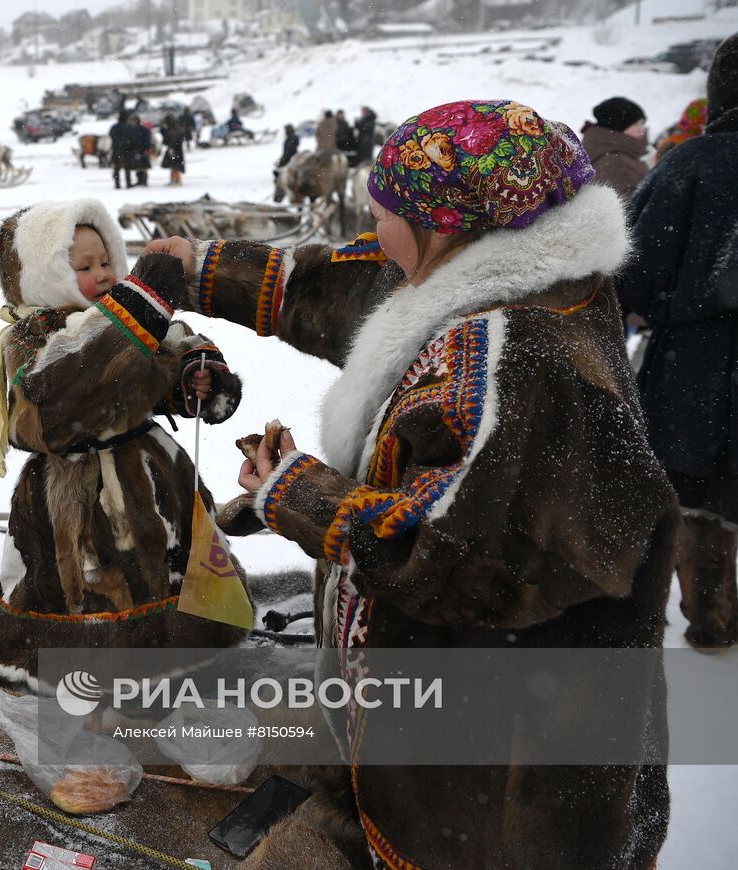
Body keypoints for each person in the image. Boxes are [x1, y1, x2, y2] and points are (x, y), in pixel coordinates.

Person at [146, 99, 674, 868]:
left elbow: (461, 558)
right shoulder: (494, 272)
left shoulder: (528, 369)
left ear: (452, 225)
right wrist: (195, 269)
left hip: (501, 776)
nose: (376, 227)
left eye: (389, 210)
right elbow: (341, 288)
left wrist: (296, 493)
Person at [0, 200, 247, 683]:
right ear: (42, 276)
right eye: (84, 267)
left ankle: (181, 655)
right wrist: (139, 309)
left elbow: (174, 346)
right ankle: (90, 675)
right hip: (74, 497)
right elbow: (62, 396)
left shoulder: (128, 317)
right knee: (87, 589)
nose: (105, 274)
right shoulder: (31, 338)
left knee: (173, 569)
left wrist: (196, 379)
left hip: (154, 478)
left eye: (107, 260)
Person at [618, 34, 738, 647]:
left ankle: (712, 621)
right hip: (697, 360)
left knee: (696, 503)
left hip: (694, 368)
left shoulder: (689, 164)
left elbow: (634, 271)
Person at [581, 96, 649, 198]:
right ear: (618, 127)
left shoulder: (614, 150)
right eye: (636, 124)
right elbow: (633, 210)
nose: (642, 129)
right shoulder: (617, 164)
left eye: (643, 123)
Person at [159, 113, 186, 186]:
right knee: (173, 164)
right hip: (174, 149)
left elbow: (173, 138)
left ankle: (177, 180)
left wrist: (171, 147)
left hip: (174, 149)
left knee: (175, 165)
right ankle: (173, 179)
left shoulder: (175, 128)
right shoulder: (175, 127)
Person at [108, 110, 133, 189]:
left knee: (116, 168)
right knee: (127, 168)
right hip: (127, 150)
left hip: (116, 149)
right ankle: (128, 183)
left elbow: (111, 136)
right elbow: (133, 138)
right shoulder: (129, 127)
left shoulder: (114, 127)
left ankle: (117, 184)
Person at [128, 114, 152, 187]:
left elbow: (146, 140)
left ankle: (143, 180)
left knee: (141, 166)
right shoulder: (142, 130)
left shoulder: (135, 130)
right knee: (141, 166)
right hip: (140, 149)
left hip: (140, 150)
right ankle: (141, 180)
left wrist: (146, 148)